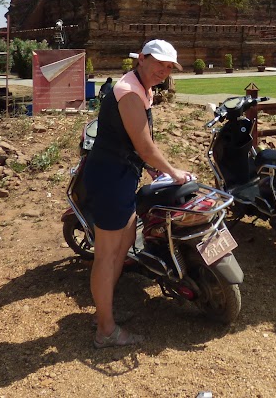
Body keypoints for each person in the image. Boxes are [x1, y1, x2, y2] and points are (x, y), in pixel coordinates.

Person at [83, 39, 192, 348]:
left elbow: (135, 143)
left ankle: (104, 313)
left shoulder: (142, 88)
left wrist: (152, 169)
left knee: (126, 239)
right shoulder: (130, 93)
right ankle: (105, 329)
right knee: (107, 254)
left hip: (121, 174)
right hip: (110, 178)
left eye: (169, 67)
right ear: (141, 58)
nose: (164, 70)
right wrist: (172, 172)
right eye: (159, 63)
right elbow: (144, 145)